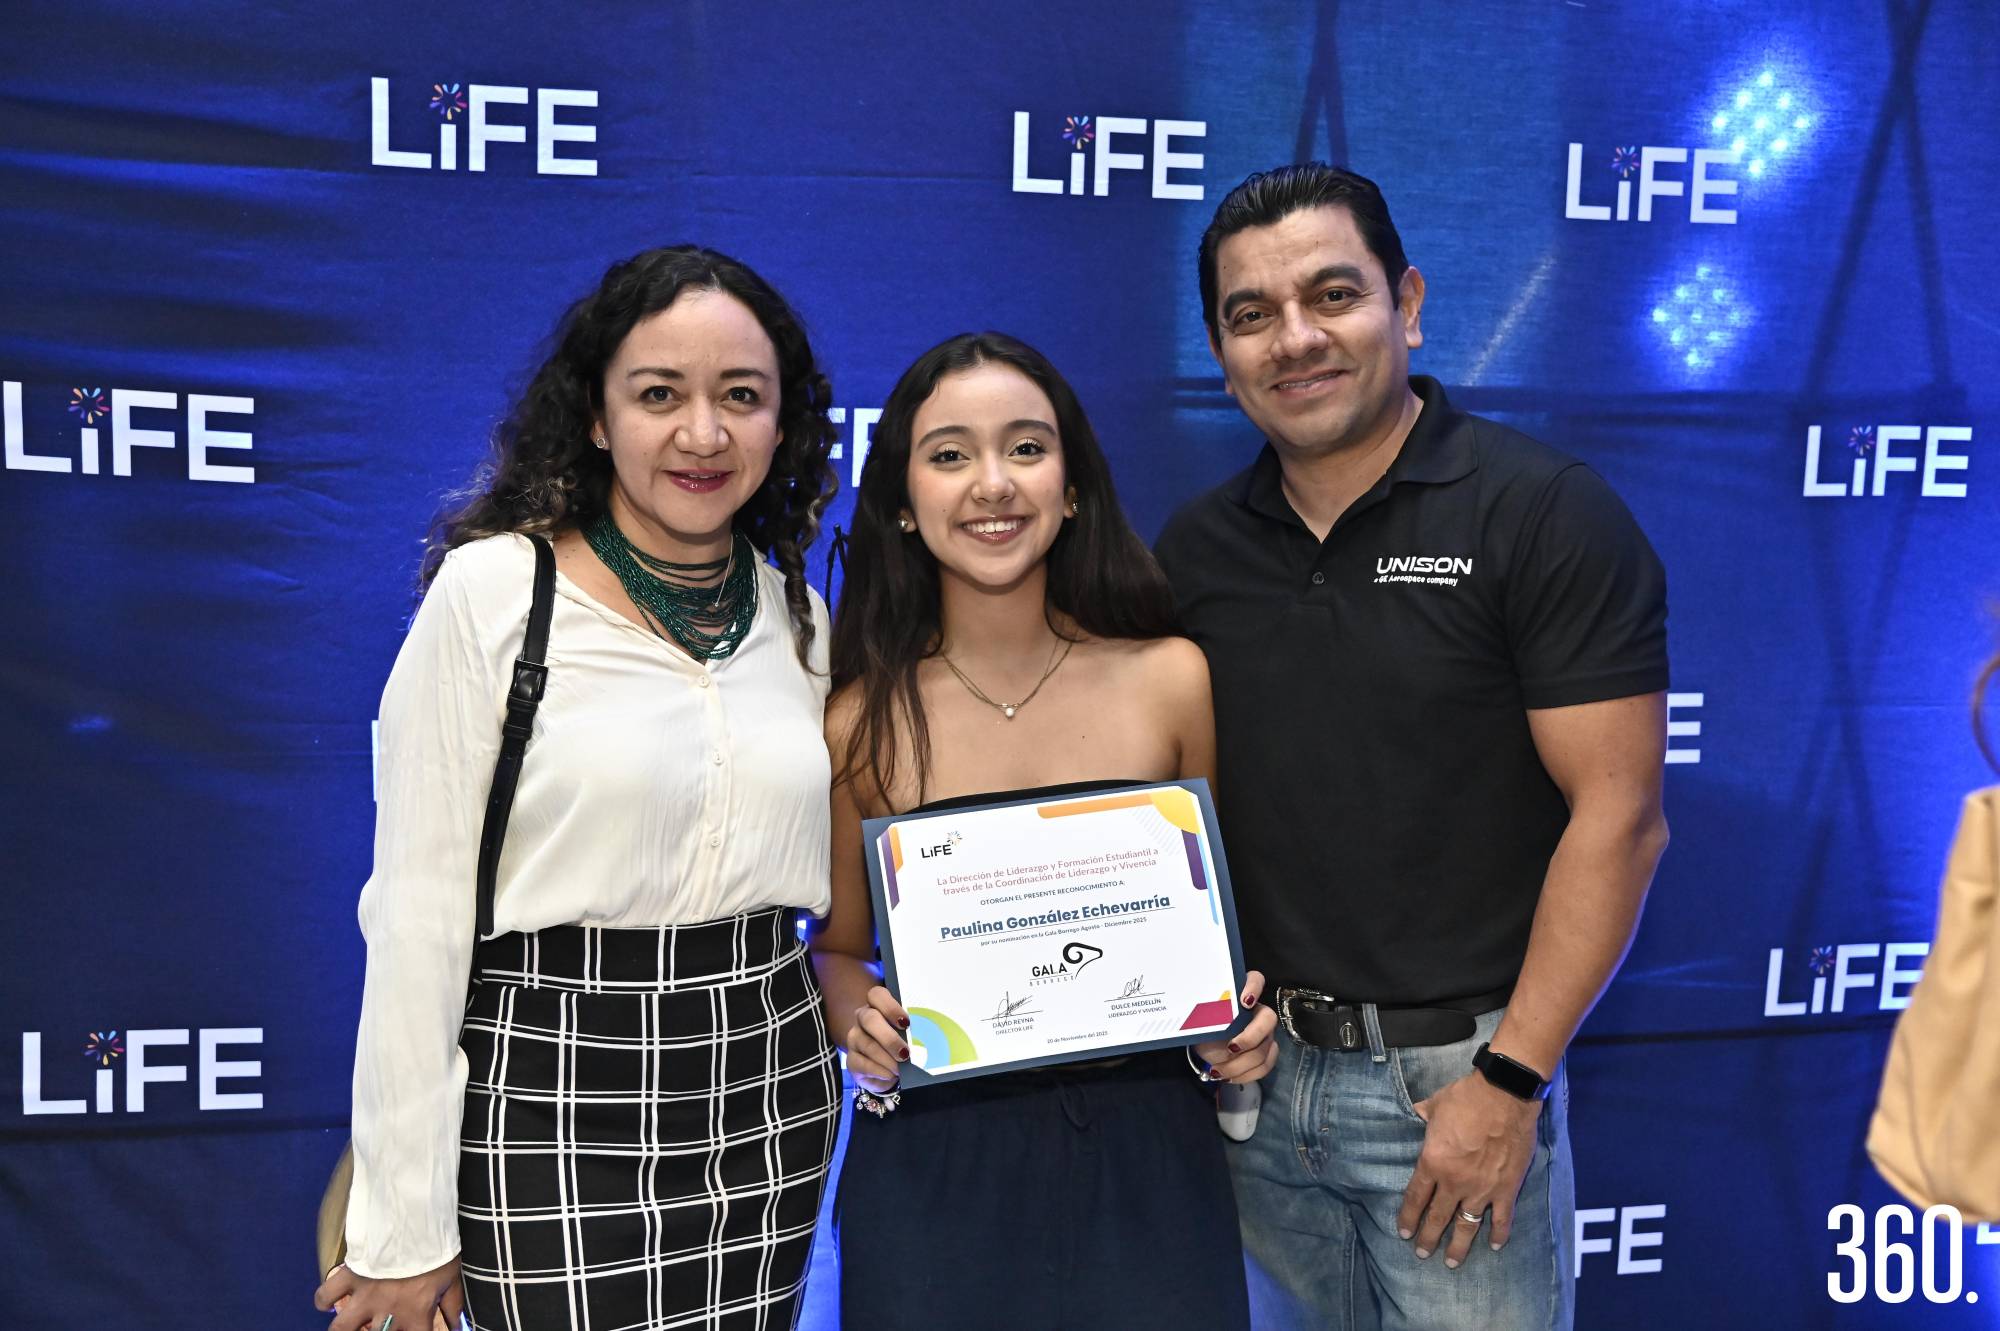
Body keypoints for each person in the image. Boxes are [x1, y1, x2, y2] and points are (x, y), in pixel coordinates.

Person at [1154, 165, 1672, 1331]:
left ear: (1408, 303)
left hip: (1458, 1084)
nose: (1294, 338)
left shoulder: (1540, 513)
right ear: (1220, 350)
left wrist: (1508, 1083)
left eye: (1331, 295)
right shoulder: (1191, 553)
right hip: (1249, 1085)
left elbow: (1620, 816)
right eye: (1250, 315)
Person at [314, 246, 843, 1331]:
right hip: (552, 1075)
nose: (702, 433)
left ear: (780, 426)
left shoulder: (797, 613)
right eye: (659, 395)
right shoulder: (499, 591)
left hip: (767, 1083)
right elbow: (415, 915)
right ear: (596, 417)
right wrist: (402, 1230)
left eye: (740, 396)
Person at [809, 332, 1278, 1330]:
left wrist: (1230, 1032)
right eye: (948, 454)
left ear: (1070, 488)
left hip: (1151, 1150)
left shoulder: (1169, 676)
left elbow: (1210, 933)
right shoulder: (858, 717)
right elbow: (840, 948)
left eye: (1026, 448)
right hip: (936, 1162)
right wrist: (862, 1022)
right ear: (899, 499)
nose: (992, 484)